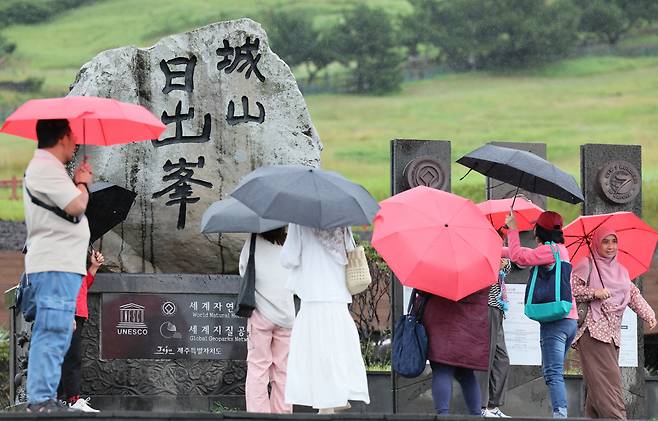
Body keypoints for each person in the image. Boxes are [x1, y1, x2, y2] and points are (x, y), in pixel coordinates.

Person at [23, 119, 92, 413]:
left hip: (61, 265)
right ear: (63, 137)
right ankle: (41, 401)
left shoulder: (50, 170)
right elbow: (76, 206)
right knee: (52, 331)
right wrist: (83, 182)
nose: (76, 143)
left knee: (58, 332)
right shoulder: (44, 167)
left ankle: (44, 398)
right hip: (53, 264)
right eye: (73, 137)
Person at [280, 224, 369, 413]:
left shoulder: (299, 221)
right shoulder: (342, 221)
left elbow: (289, 258)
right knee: (336, 350)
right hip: (337, 297)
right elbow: (350, 250)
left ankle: (327, 404)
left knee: (315, 352)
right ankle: (336, 395)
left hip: (313, 295)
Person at [571, 225, 656, 419]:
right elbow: (570, 291)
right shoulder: (586, 264)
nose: (610, 246)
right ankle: (618, 418)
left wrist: (649, 314)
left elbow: (633, 294)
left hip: (612, 335)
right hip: (592, 332)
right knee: (609, 382)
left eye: (614, 241)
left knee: (597, 387)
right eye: (605, 241)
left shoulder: (621, 271)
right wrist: (594, 292)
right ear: (596, 244)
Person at [504, 211, 577, 418]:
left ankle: (560, 415)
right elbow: (523, 252)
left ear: (539, 230)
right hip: (569, 320)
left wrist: (512, 228)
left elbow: (520, 256)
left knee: (552, 373)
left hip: (555, 323)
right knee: (552, 371)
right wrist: (496, 250)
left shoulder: (547, 251)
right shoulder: (560, 250)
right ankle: (559, 411)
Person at [238, 227, 295, 413]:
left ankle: (258, 415)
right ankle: (283, 414)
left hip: (260, 314)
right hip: (286, 317)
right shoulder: (290, 244)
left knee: (258, 368)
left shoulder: (253, 240)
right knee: (283, 370)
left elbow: (243, 270)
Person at [422, 286, 489, 415]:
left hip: (441, 324)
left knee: (442, 369)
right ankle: (476, 415)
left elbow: (424, 291)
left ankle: (443, 415)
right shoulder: (481, 271)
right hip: (469, 327)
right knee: (467, 374)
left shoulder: (441, 268)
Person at [57, 250, 104, 412]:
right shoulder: (64, 260)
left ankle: (61, 399)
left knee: (67, 357)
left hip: (77, 314)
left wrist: (93, 267)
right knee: (71, 357)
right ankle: (73, 399)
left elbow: (82, 286)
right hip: (70, 314)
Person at [478, 227, 512, 418]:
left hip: (498, 308)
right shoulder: (481, 252)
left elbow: (507, 265)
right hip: (486, 308)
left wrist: (502, 263)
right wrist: (495, 266)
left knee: (502, 358)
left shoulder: (499, 251)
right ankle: (482, 406)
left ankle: (493, 405)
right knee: (487, 357)